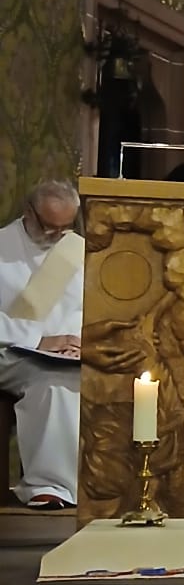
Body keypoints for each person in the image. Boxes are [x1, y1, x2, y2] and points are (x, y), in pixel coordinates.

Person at [0, 180, 83, 509]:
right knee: (53, 382)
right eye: (49, 227)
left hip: (69, 355)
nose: (57, 236)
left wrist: (78, 342)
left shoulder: (80, 251)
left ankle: (101, 483)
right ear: (29, 212)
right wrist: (38, 340)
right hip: (9, 352)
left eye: (65, 228)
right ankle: (49, 486)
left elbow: (88, 309)